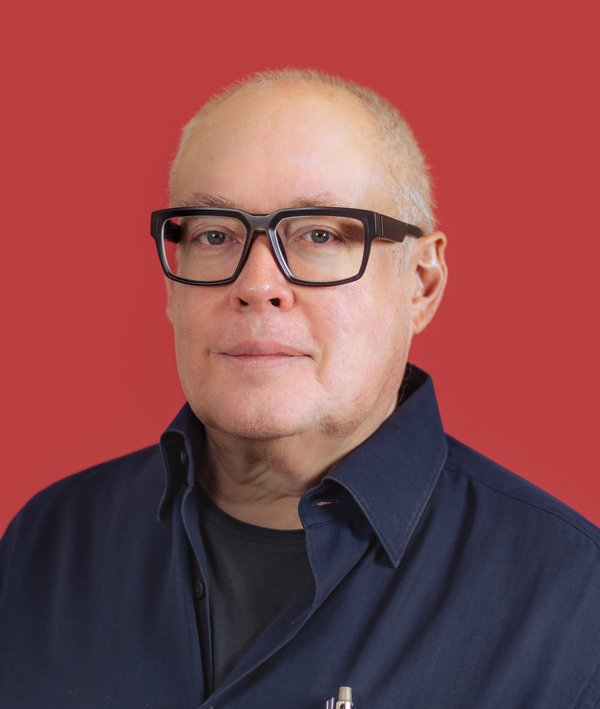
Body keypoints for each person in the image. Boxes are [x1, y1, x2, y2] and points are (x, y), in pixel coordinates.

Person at [1, 69, 599, 709]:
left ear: (420, 283)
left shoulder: (572, 602)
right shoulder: (46, 545)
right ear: (172, 288)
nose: (257, 284)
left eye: (321, 234)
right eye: (213, 234)